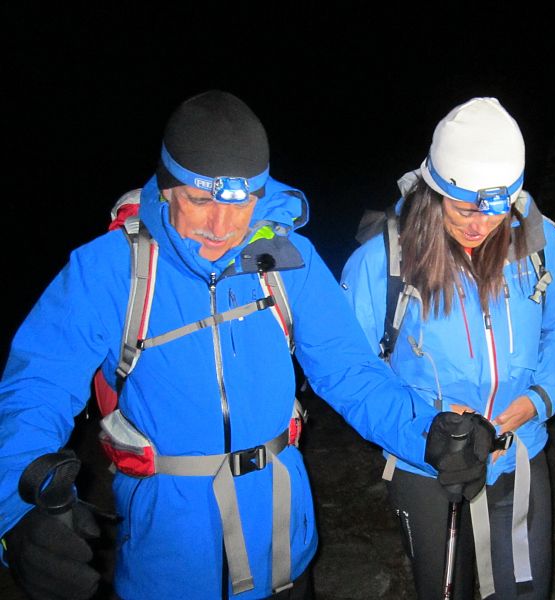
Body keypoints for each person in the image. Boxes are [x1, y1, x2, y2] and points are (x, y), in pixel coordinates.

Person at [0, 90, 495, 600]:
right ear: (167, 188)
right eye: (200, 199)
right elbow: (36, 389)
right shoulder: (109, 270)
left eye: (241, 203)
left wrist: (426, 433)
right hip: (166, 563)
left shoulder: (286, 260)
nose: (222, 227)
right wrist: (17, 511)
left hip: (282, 548)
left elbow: (350, 372)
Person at [340, 97, 555, 599]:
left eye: (494, 208)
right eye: (462, 208)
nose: (478, 225)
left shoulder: (539, 246)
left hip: (519, 452)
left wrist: (541, 396)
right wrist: (424, 430)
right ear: (435, 190)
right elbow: (350, 373)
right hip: (427, 464)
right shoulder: (384, 262)